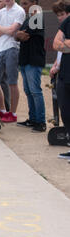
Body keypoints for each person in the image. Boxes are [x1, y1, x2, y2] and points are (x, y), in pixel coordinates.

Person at [0, 0, 26, 123]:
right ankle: (3, 110)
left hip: (12, 48)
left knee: (12, 82)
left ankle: (12, 113)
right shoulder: (0, 12)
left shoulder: (19, 11)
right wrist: (4, 30)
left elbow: (11, 31)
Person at [16, 0, 46, 132]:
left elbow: (25, 35)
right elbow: (18, 35)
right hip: (25, 59)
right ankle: (33, 119)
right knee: (28, 91)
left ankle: (41, 122)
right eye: (22, 4)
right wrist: (18, 34)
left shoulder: (37, 17)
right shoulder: (28, 19)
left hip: (34, 60)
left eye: (26, 3)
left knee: (35, 91)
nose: (23, 6)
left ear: (34, 3)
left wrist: (19, 34)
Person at [53, 1, 70, 159]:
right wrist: (65, 44)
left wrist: (64, 44)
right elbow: (55, 44)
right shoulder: (66, 23)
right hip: (65, 73)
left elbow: (61, 44)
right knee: (65, 110)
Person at [50, 1, 70, 82]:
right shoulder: (62, 29)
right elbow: (60, 50)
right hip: (61, 71)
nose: (59, 17)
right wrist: (55, 65)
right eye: (58, 15)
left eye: (62, 14)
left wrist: (57, 67)